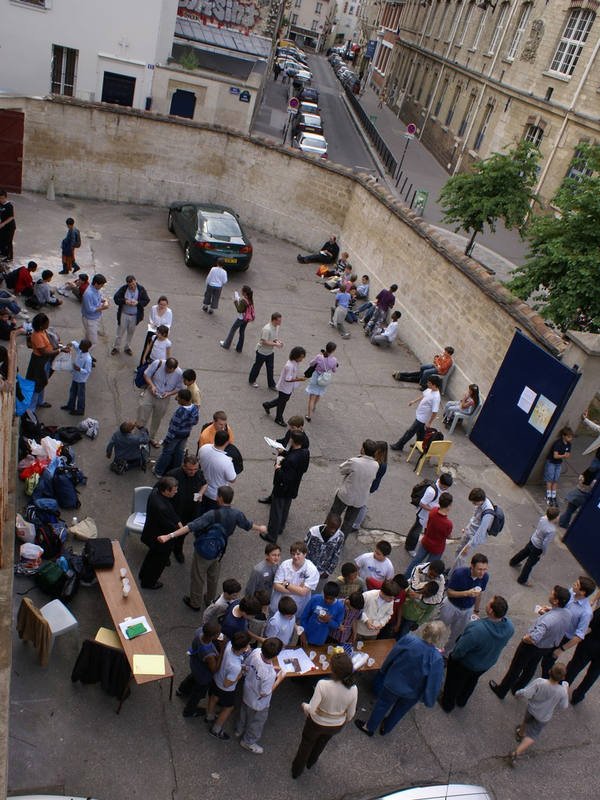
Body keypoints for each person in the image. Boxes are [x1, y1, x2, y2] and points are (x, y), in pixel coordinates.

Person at [159, 485, 266, 611]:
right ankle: (209, 599)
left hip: (204, 551)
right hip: (219, 550)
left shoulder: (212, 514)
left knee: (198, 577)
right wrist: (260, 528)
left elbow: (190, 527)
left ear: (219, 498)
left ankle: (195, 602)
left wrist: (169, 536)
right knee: (213, 576)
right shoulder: (236, 514)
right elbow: (247, 525)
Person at [354, 621, 447, 736]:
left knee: (382, 704)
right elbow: (434, 682)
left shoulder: (409, 640)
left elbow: (392, 655)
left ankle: (369, 727)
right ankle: (386, 728)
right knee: (400, 711)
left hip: (394, 683)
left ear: (425, 631)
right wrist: (428, 699)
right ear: (439, 638)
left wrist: (384, 669)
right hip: (413, 692)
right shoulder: (437, 658)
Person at [489, 585, 572, 699]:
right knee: (531, 668)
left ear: (556, 600)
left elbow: (534, 638)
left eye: (552, 594)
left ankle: (502, 690)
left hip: (531, 647)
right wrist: (550, 610)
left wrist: (525, 639)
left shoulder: (547, 621)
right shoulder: (567, 613)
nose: (550, 594)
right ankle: (518, 688)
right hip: (546, 647)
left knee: (516, 668)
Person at [440, 595, 514, 712]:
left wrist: (453, 657)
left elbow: (460, 649)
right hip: (486, 663)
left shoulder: (477, 629)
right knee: (471, 681)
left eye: (489, 603)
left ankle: (447, 704)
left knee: (453, 682)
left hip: (467, 664)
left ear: (490, 610)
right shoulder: (509, 626)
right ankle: (462, 700)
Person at [291, 652, 357, 779]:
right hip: (336, 725)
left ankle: (297, 771)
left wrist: (304, 705)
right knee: (321, 743)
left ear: (333, 670)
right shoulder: (353, 688)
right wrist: (342, 720)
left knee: (306, 745)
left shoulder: (322, 684)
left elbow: (311, 709)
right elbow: (351, 715)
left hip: (316, 723)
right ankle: (311, 762)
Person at [506, 664, 569, 766]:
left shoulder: (540, 682)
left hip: (532, 709)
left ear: (549, 671)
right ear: (563, 678)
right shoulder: (562, 691)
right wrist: (566, 689)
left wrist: (518, 693)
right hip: (544, 717)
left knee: (526, 720)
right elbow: (564, 706)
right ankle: (516, 753)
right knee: (532, 735)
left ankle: (520, 733)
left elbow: (527, 693)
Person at [235, 637, 285, 754]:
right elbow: (264, 693)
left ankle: (239, 729)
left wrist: (272, 668)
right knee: (256, 723)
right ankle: (248, 741)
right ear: (275, 655)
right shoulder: (270, 674)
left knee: (243, 712)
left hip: (247, 692)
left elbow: (246, 666)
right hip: (258, 703)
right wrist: (280, 679)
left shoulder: (256, 652)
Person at [541, 576, 595, 678]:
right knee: (540, 650)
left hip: (563, 637)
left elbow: (579, 636)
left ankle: (546, 680)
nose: (574, 584)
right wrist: (550, 609)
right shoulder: (571, 592)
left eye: (577, 584)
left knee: (548, 661)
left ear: (583, 592)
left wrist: (561, 649)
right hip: (554, 628)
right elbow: (562, 607)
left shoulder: (586, 613)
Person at [262, 431, 310, 543]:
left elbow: (284, 477)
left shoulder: (291, 459)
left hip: (282, 488)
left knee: (276, 511)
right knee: (285, 507)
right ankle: (280, 527)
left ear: (292, 441)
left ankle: (272, 535)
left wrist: (278, 467)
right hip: (293, 487)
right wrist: (284, 453)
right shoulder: (305, 452)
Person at [438, 553, 489, 655]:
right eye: (479, 569)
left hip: (467, 610)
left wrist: (476, 611)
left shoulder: (485, 577)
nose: (482, 573)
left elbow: (479, 594)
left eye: (484, 569)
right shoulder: (459, 574)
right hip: (451, 606)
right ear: (472, 566)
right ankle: (429, 648)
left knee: (457, 635)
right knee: (438, 628)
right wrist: (467, 593)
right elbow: (449, 593)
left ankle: (445, 653)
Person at [205, 631, 251, 739]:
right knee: (229, 707)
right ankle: (216, 729)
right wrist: (241, 674)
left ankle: (209, 716)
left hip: (217, 678)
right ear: (243, 648)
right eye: (247, 645)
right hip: (226, 689)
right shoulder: (235, 667)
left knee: (214, 697)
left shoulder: (229, 644)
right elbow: (227, 684)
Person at [138, 477, 182, 589]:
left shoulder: (155, 492)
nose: (176, 492)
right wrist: (179, 528)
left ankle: (143, 574)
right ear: (166, 490)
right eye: (174, 490)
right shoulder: (162, 508)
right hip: (161, 539)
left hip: (151, 533)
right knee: (157, 564)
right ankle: (149, 583)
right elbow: (170, 526)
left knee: (150, 557)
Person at [328, 439, 379, 535]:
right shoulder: (376, 465)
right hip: (360, 499)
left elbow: (342, 469)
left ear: (363, 450)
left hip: (346, 494)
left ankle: (326, 534)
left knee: (334, 515)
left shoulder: (355, 462)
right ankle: (340, 542)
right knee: (348, 522)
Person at [165, 454, 206, 563]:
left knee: (182, 534)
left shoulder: (198, 474)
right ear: (183, 466)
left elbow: (205, 484)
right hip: (175, 512)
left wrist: (201, 493)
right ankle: (165, 554)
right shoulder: (173, 475)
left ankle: (177, 550)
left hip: (191, 512)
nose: (193, 472)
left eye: (195, 469)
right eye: (190, 470)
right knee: (169, 533)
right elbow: (161, 492)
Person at [176, 620, 221, 717]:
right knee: (198, 693)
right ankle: (189, 711)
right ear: (213, 637)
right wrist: (221, 655)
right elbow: (214, 669)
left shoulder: (199, 632)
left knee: (192, 677)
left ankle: (182, 690)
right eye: (218, 634)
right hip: (203, 675)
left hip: (195, 663)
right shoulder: (209, 654)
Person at [136, 357, 184, 447]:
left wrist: (169, 393)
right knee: (142, 414)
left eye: (170, 371)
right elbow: (146, 375)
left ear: (175, 369)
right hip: (150, 393)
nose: (168, 372)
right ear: (165, 365)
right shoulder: (158, 363)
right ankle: (138, 437)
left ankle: (151, 438)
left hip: (163, 398)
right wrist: (152, 385)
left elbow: (179, 388)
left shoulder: (179, 373)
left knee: (157, 419)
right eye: (167, 369)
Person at [405, 492, 453, 575]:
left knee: (416, 561)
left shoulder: (433, 511)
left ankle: (406, 576)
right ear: (449, 505)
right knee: (429, 567)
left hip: (426, 541)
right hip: (437, 548)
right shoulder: (448, 523)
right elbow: (448, 536)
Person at [153, 389, 199, 477]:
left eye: (179, 398)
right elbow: (195, 421)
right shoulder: (194, 408)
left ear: (184, 400)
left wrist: (166, 440)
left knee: (167, 452)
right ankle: (175, 472)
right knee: (179, 453)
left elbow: (173, 428)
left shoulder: (180, 412)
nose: (176, 399)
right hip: (185, 434)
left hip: (175, 436)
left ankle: (158, 471)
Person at [405, 472, 453, 555]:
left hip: (430, 515)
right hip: (423, 515)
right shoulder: (431, 491)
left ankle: (424, 547)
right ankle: (409, 547)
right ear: (441, 482)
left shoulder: (441, 488)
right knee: (416, 531)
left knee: (427, 531)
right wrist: (434, 510)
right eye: (445, 487)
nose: (446, 489)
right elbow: (421, 503)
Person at [269, 541, 320, 619]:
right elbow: (276, 585)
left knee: (291, 624)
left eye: (298, 554)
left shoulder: (312, 570)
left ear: (305, 554)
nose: (295, 557)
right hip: (279, 603)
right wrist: (297, 590)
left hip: (297, 606)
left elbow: (303, 592)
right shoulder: (285, 564)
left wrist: (286, 584)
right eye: (293, 554)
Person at [509, 507, 560, 585]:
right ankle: (522, 580)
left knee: (524, 552)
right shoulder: (552, 530)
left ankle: (513, 562)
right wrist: (543, 552)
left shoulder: (543, 518)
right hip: (538, 547)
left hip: (533, 540)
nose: (559, 517)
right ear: (555, 518)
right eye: (558, 516)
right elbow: (545, 543)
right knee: (530, 564)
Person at [390, 375, 441, 452]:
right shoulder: (429, 390)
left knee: (410, 431)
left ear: (434, 385)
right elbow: (423, 396)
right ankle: (420, 444)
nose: (427, 384)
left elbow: (435, 412)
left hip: (422, 418)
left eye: (429, 383)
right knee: (420, 432)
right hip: (420, 414)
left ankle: (399, 445)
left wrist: (429, 422)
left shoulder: (436, 397)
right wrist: (414, 401)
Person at [263, 346, 306, 427]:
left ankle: (267, 405)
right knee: (282, 402)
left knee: (282, 400)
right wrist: (298, 379)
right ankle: (278, 418)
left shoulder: (294, 363)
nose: (301, 360)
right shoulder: (289, 366)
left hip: (287, 387)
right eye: (301, 357)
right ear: (296, 356)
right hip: (285, 387)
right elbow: (287, 379)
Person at [566, 605, 600, 704]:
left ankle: (563, 687)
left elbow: (592, 623)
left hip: (591, 642)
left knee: (575, 666)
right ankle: (578, 696)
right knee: (593, 673)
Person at [25, 312, 59, 410]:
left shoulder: (43, 331)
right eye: (47, 323)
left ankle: (41, 401)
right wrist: (59, 350)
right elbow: (44, 352)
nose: (48, 324)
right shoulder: (37, 336)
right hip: (39, 362)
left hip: (45, 361)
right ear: (41, 325)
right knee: (37, 384)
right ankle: (31, 412)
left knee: (43, 381)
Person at [352, 440, 388, 531]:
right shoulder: (382, 462)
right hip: (371, 485)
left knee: (362, 505)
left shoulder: (380, 464)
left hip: (369, 486)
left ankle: (356, 524)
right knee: (362, 502)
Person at [453, 487, 495, 565]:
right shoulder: (481, 503)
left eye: (474, 502)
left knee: (461, 557)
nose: (473, 504)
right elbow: (475, 517)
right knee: (458, 551)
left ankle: (454, 574)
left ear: (480, 500)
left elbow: (481, 532)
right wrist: (467, 527)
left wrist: (469, 546)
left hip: (473, 537)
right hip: (469, 531)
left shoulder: (488, 513)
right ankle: (454, 569)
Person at [198, 429, 237, 512]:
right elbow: (233, 479)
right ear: (227, 442)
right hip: (215, 496)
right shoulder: (227, 461)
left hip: (202, 490)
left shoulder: (203, 448)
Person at [111, 274, 150, 356]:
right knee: (120, 332)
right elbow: (116, 299)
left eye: (133, 284)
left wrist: (138, 303)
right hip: (124, 314)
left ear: (135, 281)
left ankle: (127, 347)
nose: (132, 286)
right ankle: (116, 347)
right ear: (127, 284)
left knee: (131, 332)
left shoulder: (141, 289)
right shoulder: (124, 289)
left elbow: (146, 300)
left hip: (135, 316)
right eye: (130, 285)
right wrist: (125, 301)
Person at [305, 341, 338, 422]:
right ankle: (314, 406)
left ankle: (309, 416)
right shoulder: (334, 360)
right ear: (333, 350)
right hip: (324, 379)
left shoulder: (319, 357)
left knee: (312, 397)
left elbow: (311, 364)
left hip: (316, 377)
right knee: (319, 393)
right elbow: (334, 370)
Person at [249, 311, 283, 389]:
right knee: (257, 367)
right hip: (262, 352)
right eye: (279, 320)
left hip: (270, 352)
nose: (281, 322)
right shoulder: (267, 329)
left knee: (270, 369)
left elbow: (274, 338)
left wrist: (278, 341)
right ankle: (252, 380)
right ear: (274, 320)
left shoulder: (276, 327)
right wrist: (276, 344)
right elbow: (264, 341)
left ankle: (271, 385)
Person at [305, 513, 344, 579]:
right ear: (326, 522)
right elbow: (304, 548)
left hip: (322, 572)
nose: (333, 531)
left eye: (336, 529)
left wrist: (328, 571)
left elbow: (337, 554)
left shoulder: (339, 537)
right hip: (308, 567)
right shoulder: (313, 532)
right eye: (331, 527)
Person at [60, 339, 92, 416]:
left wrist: (79, 369)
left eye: (81, 345)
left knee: (80, 395)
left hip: (81, 379)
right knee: (72, 392)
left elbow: (87, 370)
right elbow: (75, 344)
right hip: (75, 376)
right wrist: (70, 343)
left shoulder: (88, 359)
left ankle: (80, 410)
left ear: (86, 348)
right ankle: (70, 405)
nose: (79, 346)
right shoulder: (80, 350)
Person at [543, 426, 573, 507]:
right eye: (569, 437)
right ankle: (548, 496)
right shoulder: (558, 443)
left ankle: (553, 496)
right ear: (564, 436)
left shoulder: (569, 444)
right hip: (551, 462)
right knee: (550, 478)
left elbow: (568, 454)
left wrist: (564, 455)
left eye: (571, 437)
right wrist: (563, 455)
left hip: (558, 463)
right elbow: (555, 456)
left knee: (555, 479)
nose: (570, 438)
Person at [220, 285, 254, 352]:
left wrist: (236, 301)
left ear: (244, 292)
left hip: (240, 319)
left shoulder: (243, 301)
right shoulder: (250, 299)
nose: (241, 291)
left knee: (232, 330)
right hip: (246, 319)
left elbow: (239, 310)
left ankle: (226, 345)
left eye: (242, 290)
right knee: (242, 332)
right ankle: (239, 348)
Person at [81, 274, 109, 349]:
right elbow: (89, 309)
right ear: (96, 284)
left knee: (88, 337)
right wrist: (102, 307)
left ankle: (84, 353)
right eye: (101, 285)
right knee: (93, 342)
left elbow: (98, 298)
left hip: (95, 318)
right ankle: (86, 356)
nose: (102, 287)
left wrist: (103, 300)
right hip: (90, 320)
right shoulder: (88, 294)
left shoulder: (96, 290)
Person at [0, 189, 16, 262]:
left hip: (10, 227)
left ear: (6, 197)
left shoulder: (9, 206)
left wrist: (3, 223)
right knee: (2, 240)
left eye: (2, 198)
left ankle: (10, 257)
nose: (1, 200)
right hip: (2, 227)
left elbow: (11, 217)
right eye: (0, 198)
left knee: (8, 242)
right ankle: (3, 253)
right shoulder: (0, 204)